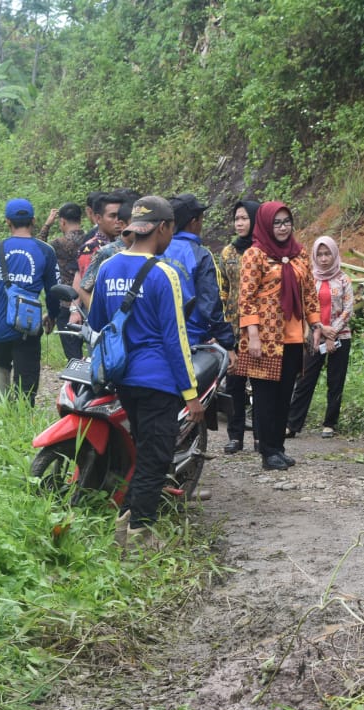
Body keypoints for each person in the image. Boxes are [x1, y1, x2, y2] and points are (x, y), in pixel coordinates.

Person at [88, 196, 203, 552]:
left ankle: (126, 526)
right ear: (164, 228)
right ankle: (138, 535)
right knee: (156, 458)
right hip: (158, 382)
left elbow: (97, 324)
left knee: (145, 452)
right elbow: (176, 340)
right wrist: (191, 395)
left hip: (123, 380)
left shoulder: (107, 268)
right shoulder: (165, 273)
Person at [235, 201, 321, 471]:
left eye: (287, 222)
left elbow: (309, 292)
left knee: (285, 395)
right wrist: (253, 334)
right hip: (264, 338)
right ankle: (267, 451)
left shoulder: (299, 254)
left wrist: (316, 325)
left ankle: (279, 448)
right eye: (277, 223)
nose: (283, 228)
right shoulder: (255, 255)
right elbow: (246, 299)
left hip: (293, 336)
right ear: (265, 225)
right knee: (265, 397)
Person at [0, 198, 60, 406]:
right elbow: (53, 292)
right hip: (27, 324)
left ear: (7, 221)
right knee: (27, 375)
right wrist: (52, 316)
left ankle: (4, 410)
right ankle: (23, 415)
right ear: (34, 220)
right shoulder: (45, 251)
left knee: (0, 364)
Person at [286, 236, 354, 438]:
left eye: (328, 254)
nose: (324, 259)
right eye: (320, 254)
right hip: (313, 336)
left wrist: (332, 332)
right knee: (305, 380)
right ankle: (292, 424)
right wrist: (322, 329)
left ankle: (330, 424)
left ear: (334, 254)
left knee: (335, 381)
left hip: (340, 336)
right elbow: (304, 307)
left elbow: (348, 309)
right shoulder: (309, 279)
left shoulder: (344, 279)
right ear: (314, 256)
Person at [165, 194, 236, 352]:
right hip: (191, 341)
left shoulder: (154, 249)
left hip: (157, 340)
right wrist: (227, 343)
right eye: (201, 220)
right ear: (193, 222)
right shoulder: (200, 254)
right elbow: (210, 304)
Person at [219, 199, 260, 454]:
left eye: (245, 218)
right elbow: (223, 291)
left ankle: (260, 435)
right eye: (237, 219)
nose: (240, 223)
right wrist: (222, 328)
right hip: (234, 328)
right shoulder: (228, 253)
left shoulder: (264, 250)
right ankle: (235, 436)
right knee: (234, 385)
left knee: (261, 385)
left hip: (260, 329)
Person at [38, 202, 86, 361]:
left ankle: (76, 383)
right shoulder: (90, 240)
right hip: (87, 300)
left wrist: (47, 225)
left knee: (72, 353)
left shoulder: (59, 244)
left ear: (62, 222)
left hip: (66, 303)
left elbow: (39, 248)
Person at [78, 199, 134, 308]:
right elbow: (84, 288)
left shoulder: (146, 250)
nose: (117, 221)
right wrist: (99, 318)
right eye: (113, 216)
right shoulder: (103, 251)